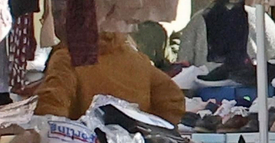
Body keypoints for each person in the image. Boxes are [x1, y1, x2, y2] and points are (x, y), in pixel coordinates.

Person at [35, 12, 185, 122]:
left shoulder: (67, 58)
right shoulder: (136, 58)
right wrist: (151, 129)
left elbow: (51, 109)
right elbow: (173, 101)